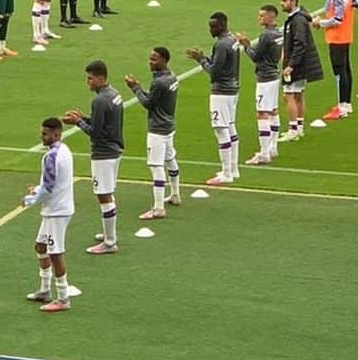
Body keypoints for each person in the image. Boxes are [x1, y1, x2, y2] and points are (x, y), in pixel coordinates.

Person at [63, 60, 123, 254]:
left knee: (103, 195)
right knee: (108, 192)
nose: (87, 82)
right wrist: (84, 118)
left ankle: (110, 242)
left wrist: (78, 121)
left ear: (100, 77)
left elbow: (96, 133)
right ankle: (108, 233)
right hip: (114, 150)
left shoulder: (99, 100)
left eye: (90, 79)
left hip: (103, 153)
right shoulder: (114, 94)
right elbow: (104, 123)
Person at [24, 117, 74, 313]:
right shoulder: (65, 150)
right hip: (58, 207)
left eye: (45, 133)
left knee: (55, 253)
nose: (41, 136)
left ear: (56, 134)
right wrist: (37, 189)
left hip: (57, 211)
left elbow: (49, 187)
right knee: (41, 245)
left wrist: (31, 198)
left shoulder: (51, 157)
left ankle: (63, 298)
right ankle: (45, 289)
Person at [124, 47, 180, 218]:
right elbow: (156, 99)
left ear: (164, 60)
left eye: (154, 59)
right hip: (169, 125)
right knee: (170, 159)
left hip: (157, 129)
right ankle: (176, 195)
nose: (151, 62)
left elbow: (148, 103)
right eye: (150, 58)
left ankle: (158, 207)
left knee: (156, 166)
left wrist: (135, 88)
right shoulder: (172, 76)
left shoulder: (159, 82)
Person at [187, 13, 240, 186]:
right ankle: (233, 169)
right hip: (233, 89)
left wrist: (201, 60)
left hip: (221, 92)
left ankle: (226, 173)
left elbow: (214, 72)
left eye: (213, 26)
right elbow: (221, 65)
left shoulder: (221, 44)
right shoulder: (232, 40)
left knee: (220, 129)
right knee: (230, 126)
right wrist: (205, 58)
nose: (211, 29)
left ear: (222, 25)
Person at [311, 0, 358, 122]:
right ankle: (347, 103)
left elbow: (337, 19)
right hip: (345, 35)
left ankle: (342, 107)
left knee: (339, 72)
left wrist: (320, 23)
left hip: (337, 37)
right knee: (346, 69)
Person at [236, 6, 283, 163]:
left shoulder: (266, 35)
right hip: (274, 76)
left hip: (265, 78)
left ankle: (264, 153)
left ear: (271, 17)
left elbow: (256, 57)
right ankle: (273, 147)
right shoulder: (279, 34)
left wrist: (245, 44)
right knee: (274, 111)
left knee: (262, 113)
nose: (259, 18)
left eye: (262, 16)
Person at [279, 0, 324, 139]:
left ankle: (293, 129)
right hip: (302, 62)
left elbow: (300, 44)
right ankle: (299, 127)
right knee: (298, 94)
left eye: (285, 1)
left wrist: (290, 64)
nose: (282, 4)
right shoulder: (298, 18)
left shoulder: (297, 21)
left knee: (288, 95)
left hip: (297, 64)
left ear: (293, 2)